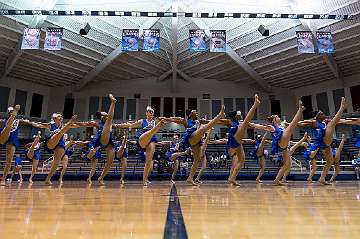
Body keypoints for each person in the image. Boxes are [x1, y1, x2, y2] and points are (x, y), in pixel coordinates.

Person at [166, 105, 225, 185]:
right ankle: (219, 115)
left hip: (197, 142)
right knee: (203, 128)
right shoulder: (186, 121)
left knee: (197, 160)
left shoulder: (199, 121)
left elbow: (210, 122)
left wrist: (222, 121)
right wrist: (165, 119)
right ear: (190, 114)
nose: (196, 112)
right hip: (191, 138)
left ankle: (190, 178)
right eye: (194, 111)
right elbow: (174, 119)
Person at [250, 100, 305, 185]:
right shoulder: (272, 127)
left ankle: (277, 180)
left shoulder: (282, 125)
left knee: (286, 165)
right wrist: (249, 123)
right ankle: (299, 110)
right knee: (290, 128)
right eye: (277, 117)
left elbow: (296, 124)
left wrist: (305, 122)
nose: (279, 117)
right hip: (281, 142)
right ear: (274, 120)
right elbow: (260, 126)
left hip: (285, 147)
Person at [297, 97, 347, 185]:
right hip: (322, 141)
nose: (324, 114)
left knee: (330, 161)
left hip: (326, 144)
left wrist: (351, 121)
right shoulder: (314, 122)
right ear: (318, 116)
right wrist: (290, 124)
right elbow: (302, 123)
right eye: (322, 113)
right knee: (332, 123)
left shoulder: (325, 121)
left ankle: (322, 179)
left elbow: (339, 120)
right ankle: (342, 107)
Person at [116, 106, 168, 186]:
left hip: (152, 140)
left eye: (152, 112)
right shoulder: (142, 121)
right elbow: (131, 125)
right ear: (146, 113)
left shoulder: (155, 121)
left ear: (153, 114)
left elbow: (166, 120)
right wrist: (120, 125)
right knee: (150, 132)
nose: (150, 113)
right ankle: (152, 130)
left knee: (148, 162)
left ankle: (144, 180)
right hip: (142, 139)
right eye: (149, 111)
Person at [216, 95, 260, 185]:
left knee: (242, 161)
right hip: (232, 144)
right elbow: (217, 121)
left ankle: (232, 178)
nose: (241, 115)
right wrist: (205, 122)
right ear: (236, 116)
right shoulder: (230, 122)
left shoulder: (239, 123)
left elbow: (252, 125)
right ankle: (255, 105)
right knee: (246, 121)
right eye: (239, 114)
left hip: (238, 143)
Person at [74, 94, 117, 185]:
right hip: (101, 139)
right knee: (91, 155)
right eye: (103, 116)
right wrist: (72, 123)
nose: (104, 116)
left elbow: (116, 122)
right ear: (101, 117)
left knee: (110, 162)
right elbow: (85, 124)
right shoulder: (98, 123)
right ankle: (113, 102)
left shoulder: (111, 123)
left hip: (109, 141)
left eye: (105, 115)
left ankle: (101, 178)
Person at [31, 113, 78, 185]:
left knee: (56, 163)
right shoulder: (51, 125)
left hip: (60, 144)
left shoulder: (63, 126)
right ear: (55, 118)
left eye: (61, 116)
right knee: (60, 132)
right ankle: (39, 145)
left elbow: (79, 125)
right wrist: (30, 122)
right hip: (51, 142)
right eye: (59, 116)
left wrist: (90, 124)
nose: (61, 117)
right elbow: (39, 124)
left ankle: (48, 179)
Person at [0, 105, 40, 186]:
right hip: (3, 136)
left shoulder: (18, 121)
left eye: (13, 112)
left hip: (12, 141)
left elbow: (27, 122)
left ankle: (3, 179)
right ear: (8, 113)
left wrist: (34, 124)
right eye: (11, 112)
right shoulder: (4, 121)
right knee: (7, 127)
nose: (11, 113)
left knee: (9, 161)